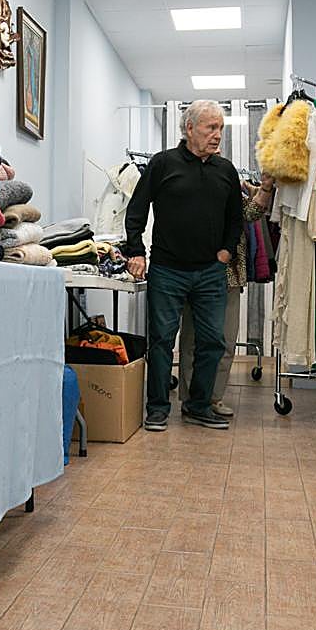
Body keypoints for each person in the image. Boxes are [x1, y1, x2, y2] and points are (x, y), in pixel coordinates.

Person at [124, 99, 243, 431]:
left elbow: (235, 219)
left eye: (220, 128)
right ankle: (158, 407)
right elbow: (137, 210)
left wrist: (225, 252)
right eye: (211, 127)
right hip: (167, 270)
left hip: (210, 272)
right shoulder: (163, 164)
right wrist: (136, 250)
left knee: (212, 341)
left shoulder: (226, 171)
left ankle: (198, 405)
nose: (217, 135)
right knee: (162, 340)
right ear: (189, 128)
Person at [178, 174, 276, 416]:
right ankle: (191, 398)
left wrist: (265, 187)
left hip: (229, 276)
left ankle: (213, 397)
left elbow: (253, 213)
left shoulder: (230, 192)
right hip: (196, 273)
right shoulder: (188, 190)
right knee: (192, 339)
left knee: (226, 340)